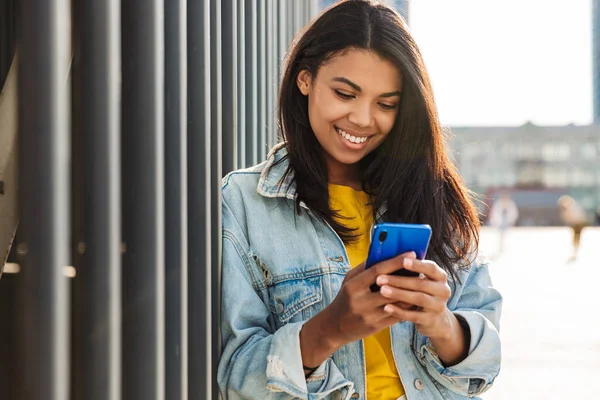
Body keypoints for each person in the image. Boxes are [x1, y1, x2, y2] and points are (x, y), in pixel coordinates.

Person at [218, 1, 502, 399]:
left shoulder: (430, 193)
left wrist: (441, 323)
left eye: (386, 104)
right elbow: (235, 377)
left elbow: (486, 364)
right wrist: (332, 327)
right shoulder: (244, 203)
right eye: (345, 93)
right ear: (305, 80)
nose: (364, 119)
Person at [557, 195, 588, 261]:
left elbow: (576, 217)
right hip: (576, 223)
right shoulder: (571, 208)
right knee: (576, 237)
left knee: (576, 236)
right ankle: (575, 247)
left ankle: (576, 248)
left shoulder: (571, 208)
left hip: (578, 223)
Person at [487, 191, 519, 255]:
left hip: (507, 221)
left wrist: (512, 220)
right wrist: (493, 221)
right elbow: (494, 213)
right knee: (501, 234)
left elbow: (514, 213)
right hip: (500, 222)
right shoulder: (498, 203)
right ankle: (501, 246)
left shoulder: (510, 204)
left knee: (505, 234)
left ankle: (505, 247)